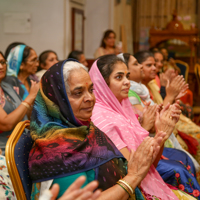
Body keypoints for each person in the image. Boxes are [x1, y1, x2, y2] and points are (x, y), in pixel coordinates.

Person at [28, 59, 164, 200]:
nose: (90, 98)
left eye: (91, 90)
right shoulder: (56, 152)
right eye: (78, 93)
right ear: (56, 100)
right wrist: (133, 177)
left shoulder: (88, 129)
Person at [90, 55, 196, 199]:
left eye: (127, 76)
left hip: (142, 182)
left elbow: (150, 165)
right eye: (119, 77)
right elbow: (132, 172)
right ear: (102, 83)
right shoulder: (103, 120)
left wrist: (161, 136)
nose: (127, 82)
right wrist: (158, 133)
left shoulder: (122, 108)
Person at [122, 52, 200, 184]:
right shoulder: (129, 92)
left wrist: (172, 98)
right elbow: (151, 124)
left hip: (159, 135)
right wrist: (169, 96)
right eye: (149, 64)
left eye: (157, 63)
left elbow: (157, 111)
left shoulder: (144, 87)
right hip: (150, 142)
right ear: (126, 71)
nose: (154, 67)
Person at [0, 52, 39, 155]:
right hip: (5, 150)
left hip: (21, 145)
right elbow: (6, 124)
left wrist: (36, 99)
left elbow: (24, 115)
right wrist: (30, 96)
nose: (1, 66)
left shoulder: (7, 86)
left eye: (2, 62)